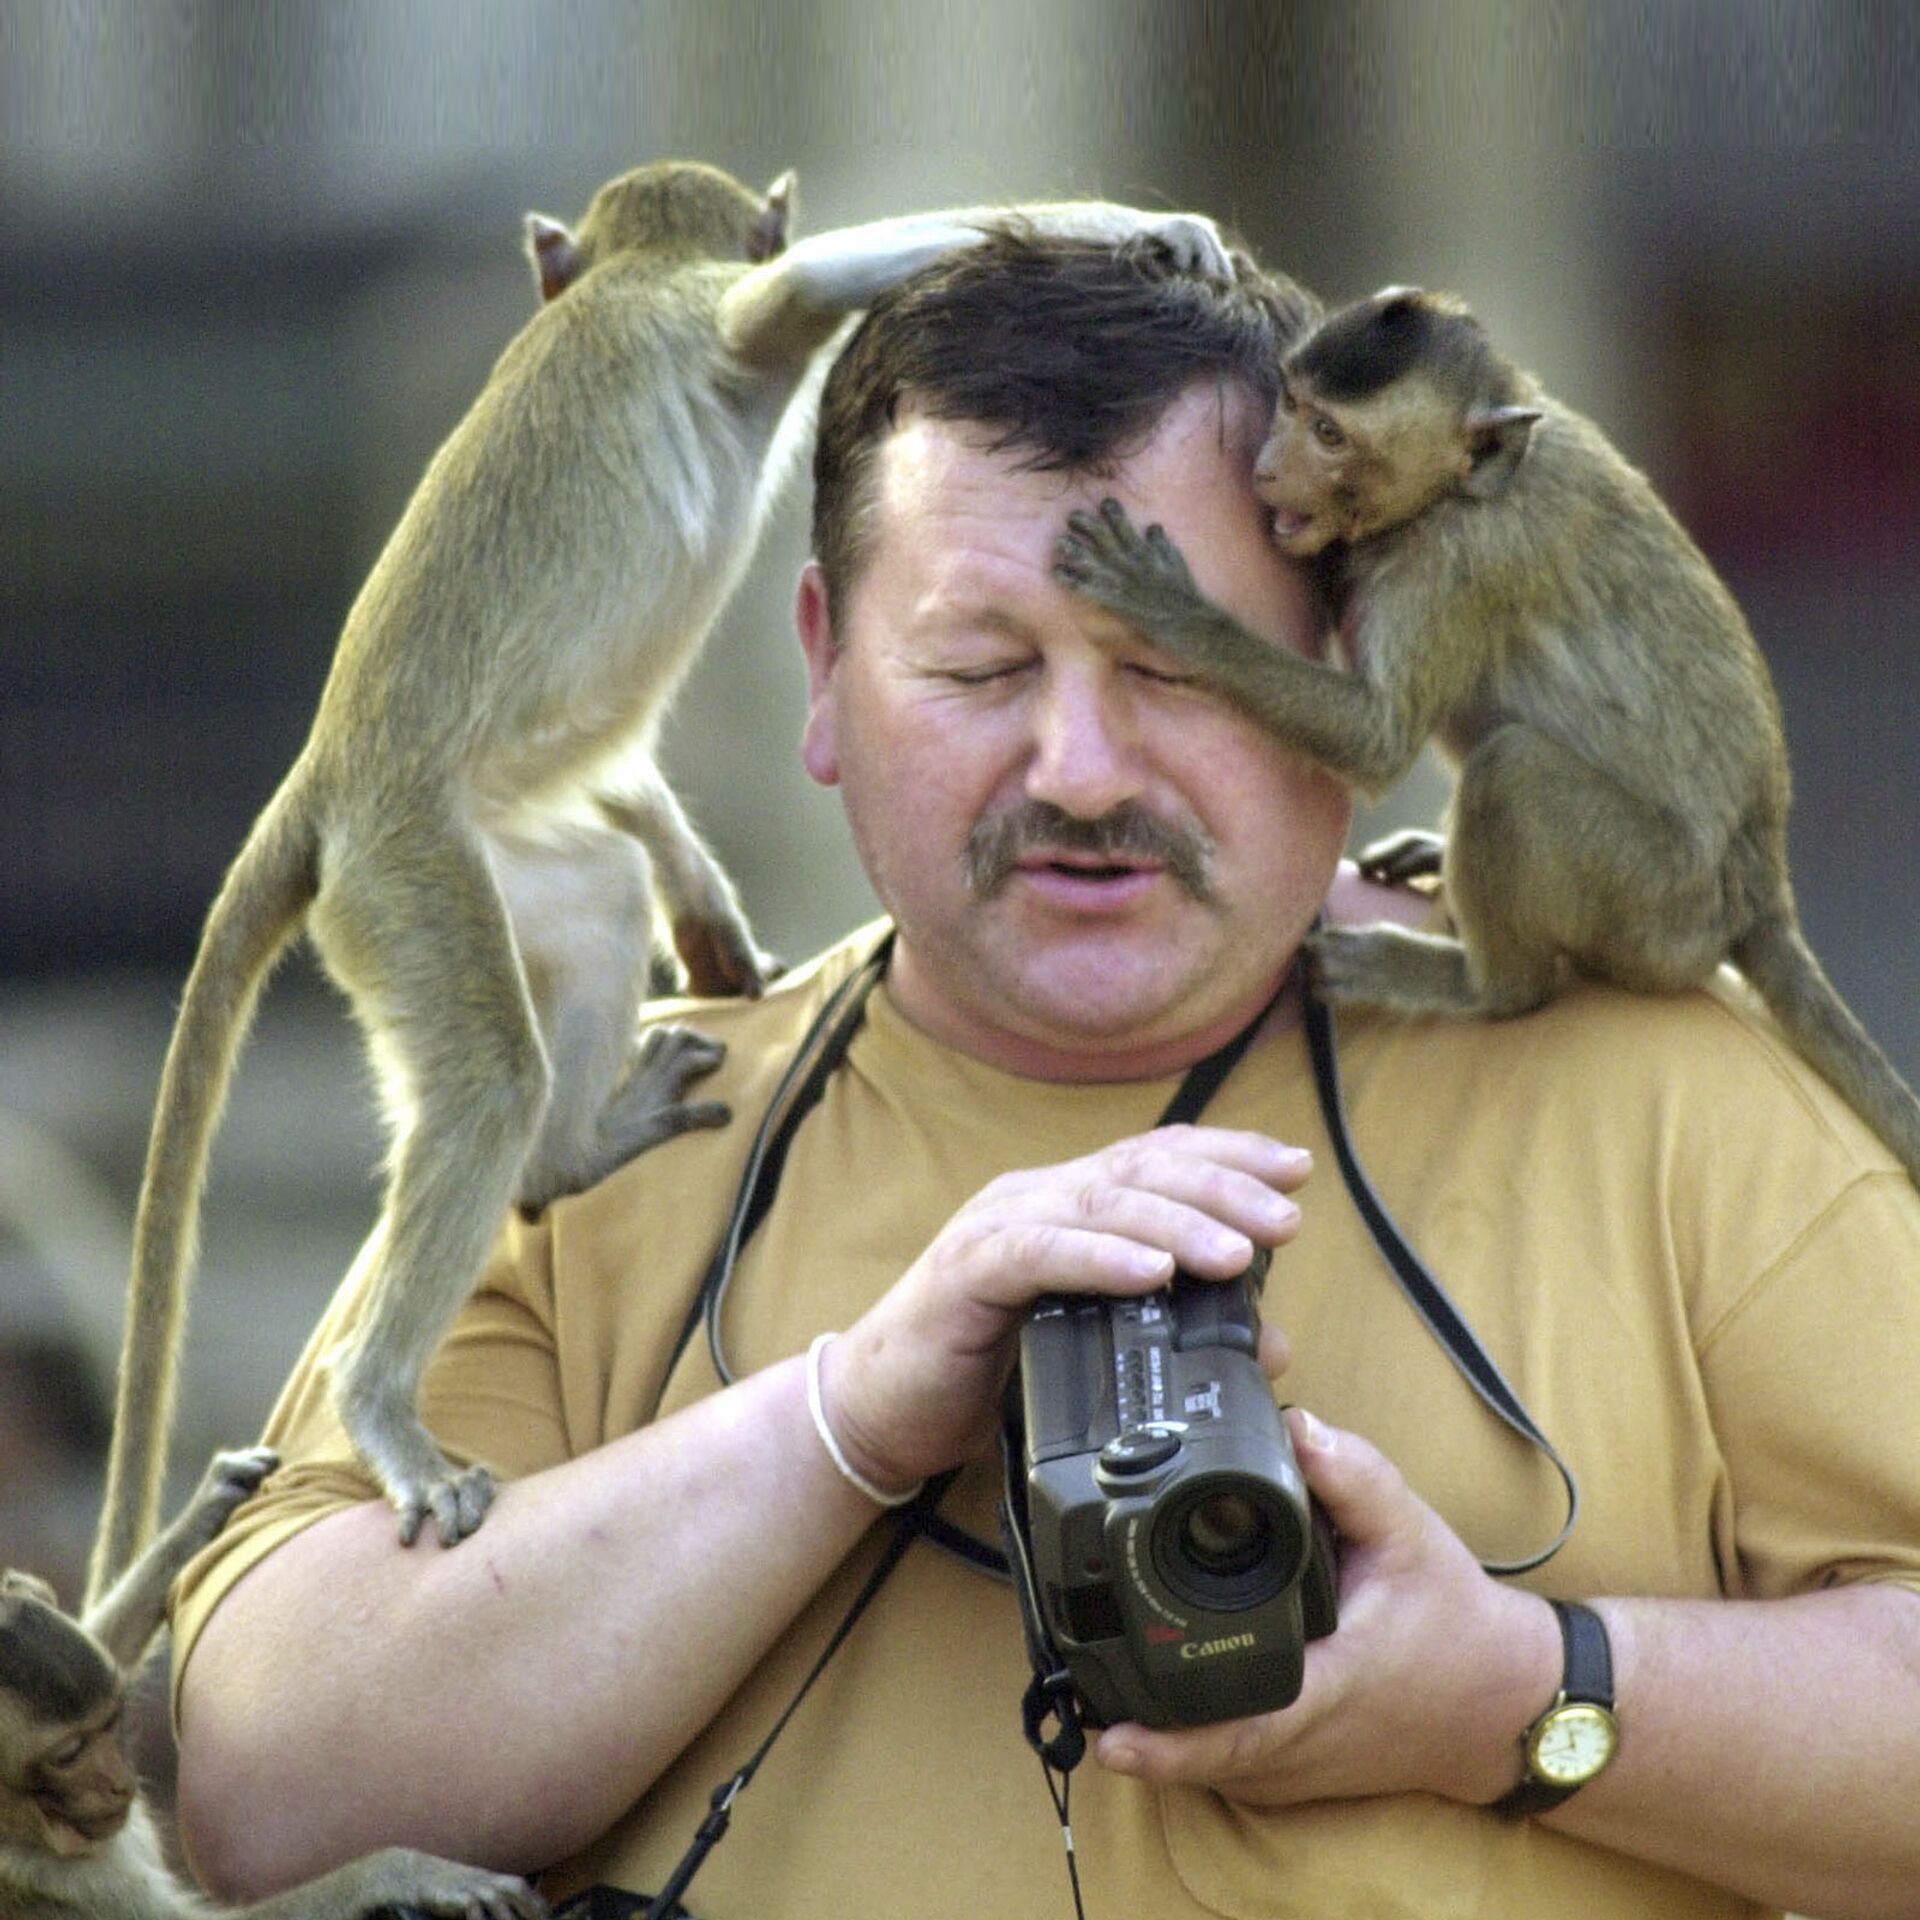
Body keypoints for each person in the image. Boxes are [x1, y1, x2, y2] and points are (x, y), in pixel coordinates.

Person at [167, 229, 1920, 1920]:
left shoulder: (1678, 1114)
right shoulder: (604, 1140)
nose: (1080, 766)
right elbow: (257, 1793)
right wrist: (840, 1419)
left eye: (1171, 666)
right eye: (979, 667)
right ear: (825, 674)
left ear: (1340, 651)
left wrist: (1519, 1698)